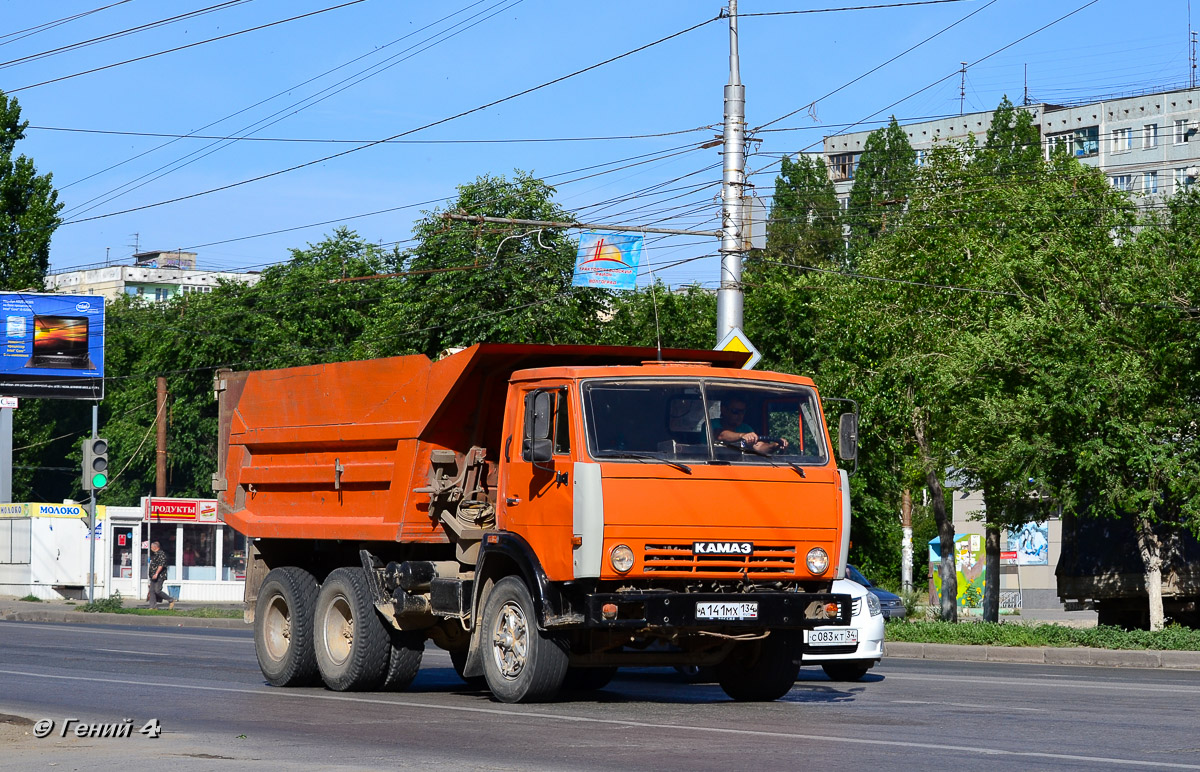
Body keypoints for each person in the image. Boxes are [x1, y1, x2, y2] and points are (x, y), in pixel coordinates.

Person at [711, 396, 788, 454]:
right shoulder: (711, 424)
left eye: (743, 412)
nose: (740, 416)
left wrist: (776, 445)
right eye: (735, 411)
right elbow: (721, 435)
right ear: (724, 410)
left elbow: (759, 447)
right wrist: (742, 435)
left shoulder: (745, 428)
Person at [147, 541, 174, 610]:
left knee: (157, 590)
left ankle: (170, 600)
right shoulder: (156, 554)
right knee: (151, 590)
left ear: (155, 547)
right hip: (153, 576)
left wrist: (156, 573)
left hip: (159, 576)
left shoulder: (161, 554)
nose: (150, 548)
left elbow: (161, 565)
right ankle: (153, 607)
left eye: (151, 547)